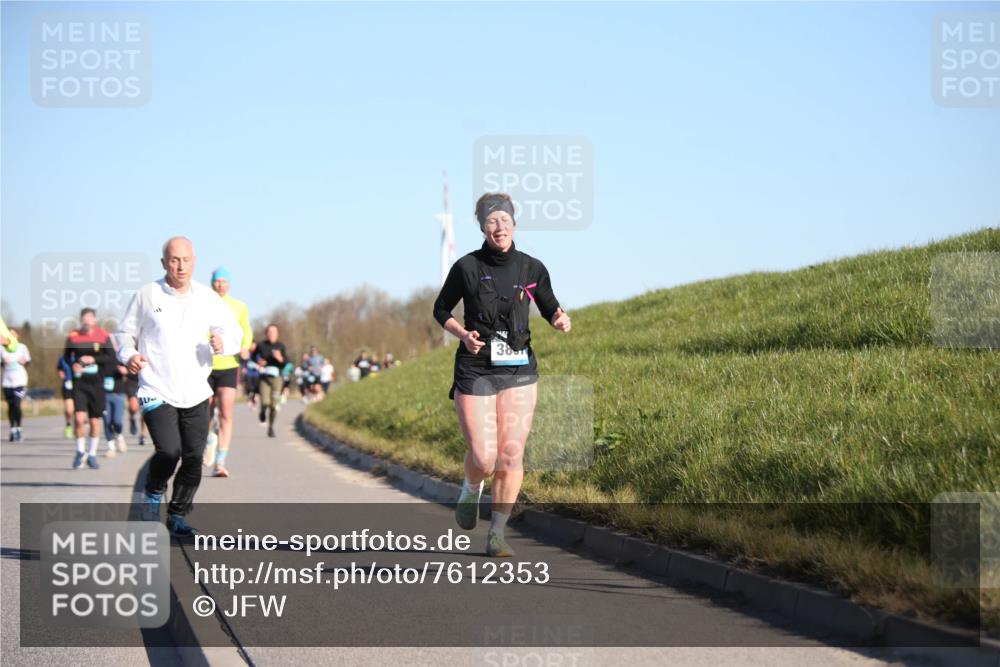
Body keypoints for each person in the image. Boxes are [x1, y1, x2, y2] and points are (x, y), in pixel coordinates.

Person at [433, 192, 571, 557]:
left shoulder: (532, 268)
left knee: (511, 455)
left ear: (514, 224)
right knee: (483, 457)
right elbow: (441, 308)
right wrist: (462, 335)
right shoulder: (466, 267)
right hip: (475, 366)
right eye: (492, 221)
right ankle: (470, 486)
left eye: (505, 220)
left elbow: (550, 306)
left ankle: (497, 533)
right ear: (482, 226)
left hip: (518, 366)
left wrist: (559, 318)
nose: (499, 227)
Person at [116, 236, 241, 536]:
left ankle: (177, 515)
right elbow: (123, 334)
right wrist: (129, 354)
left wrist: (224, 342)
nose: (180, 265)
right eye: (174, 260)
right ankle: (153, 496)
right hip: (156, 387)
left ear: (194, 261)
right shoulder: (147, 295)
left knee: (194, 457)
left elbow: (233, 332)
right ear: (164, 263)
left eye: (185, 260)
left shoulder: (208, 298)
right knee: (169, 451)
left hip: (197, 389)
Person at [204, 267, 253, 478]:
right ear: (212, 283)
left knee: (226, 411)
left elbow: (246, 329)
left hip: (229, 364)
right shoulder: (202, 303)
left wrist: (245, 346)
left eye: (224, 281)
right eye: (217, 281)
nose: (220, 285)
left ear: (229, 284)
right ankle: (209, 439)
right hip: (205, 364)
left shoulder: (239, 306)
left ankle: (221, 461)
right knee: (205, 410)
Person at [65, 308, 115, 470]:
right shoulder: (73, 336)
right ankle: (80, 451)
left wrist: (93, 358)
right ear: (81, 320)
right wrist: (73, 365)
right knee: (79, 419)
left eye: (89, 318)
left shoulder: (103, 336)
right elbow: (66, 357)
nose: (86, 321)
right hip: (80, 383)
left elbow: (111, 358)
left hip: (97, 384)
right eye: (84, 318)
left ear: (94, 320)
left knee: (94, 422)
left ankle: (92, 454)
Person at [253, 324, 286, 438]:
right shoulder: (261, 345)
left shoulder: (281, 346)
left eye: (274, 332)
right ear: (266, 333)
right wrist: (259, 362)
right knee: (265, 402)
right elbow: (252, 358)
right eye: (270, 332)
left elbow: (286, 362)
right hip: (264, 378)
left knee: (274, 405)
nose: (272, 334)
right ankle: (262, 412)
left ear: (277, 334)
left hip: (277, 378)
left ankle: (271, 427)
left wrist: (279, 358)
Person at [2, 329, 31, 442]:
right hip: (7, 381)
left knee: (17, 404)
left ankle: (19, 428)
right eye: (9, 333)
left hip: (20, 381)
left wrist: (24, 362)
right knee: (10, 406)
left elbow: (28, 361)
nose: (11, 335)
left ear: (17, 336)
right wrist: (3, 362)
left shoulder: (22, 347)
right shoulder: (2, 348)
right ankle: (12, 429)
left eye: (13, 333)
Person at [102, 359, 129, 456]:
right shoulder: (100, 358)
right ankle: (111, 447)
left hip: (118, 393)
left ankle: (119, 436)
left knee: (117, 421)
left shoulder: (120, 358)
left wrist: (125, 371)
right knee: (107, 421)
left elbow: (131, 372)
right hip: (103, 395)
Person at [56, 356, 75, 439]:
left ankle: (76, 426)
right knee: (69, 409)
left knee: (78, 409)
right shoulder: (62, 358)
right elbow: (59, 368)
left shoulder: (82, 355)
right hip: (67, 385)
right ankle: (68, 424)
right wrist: (60, 372)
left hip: (80, 385)